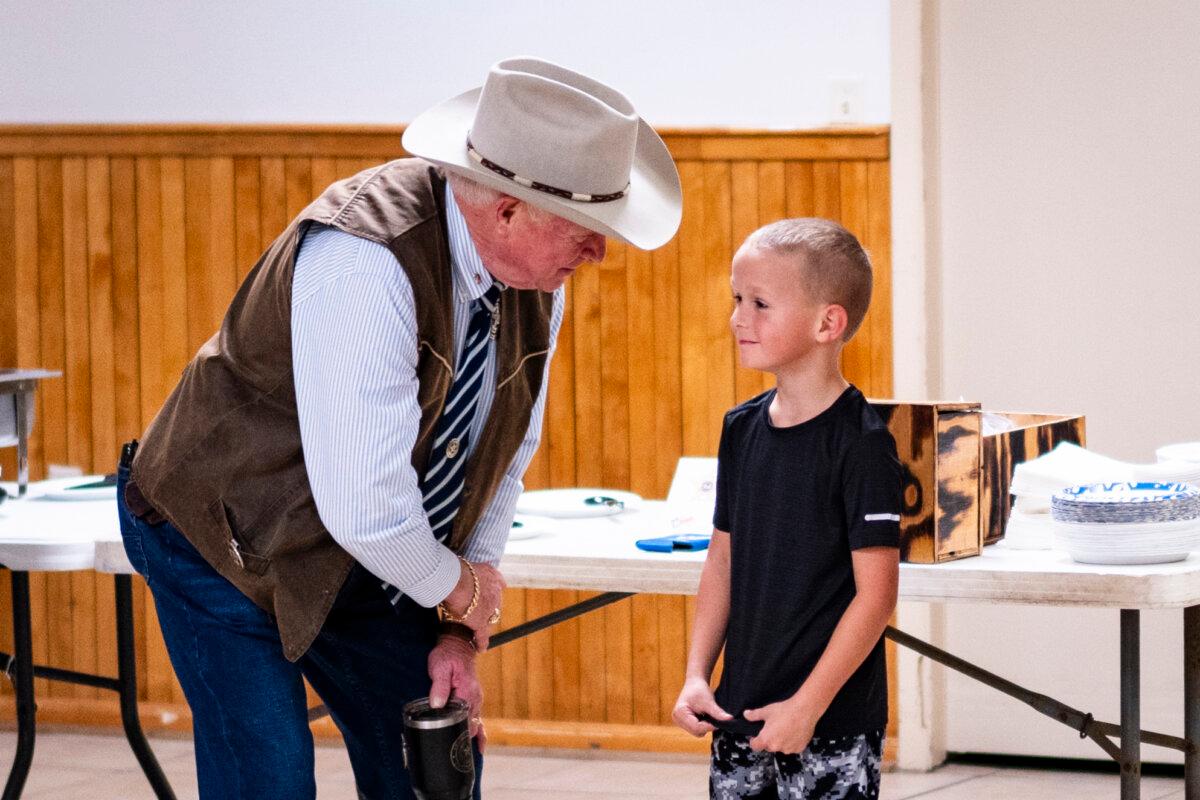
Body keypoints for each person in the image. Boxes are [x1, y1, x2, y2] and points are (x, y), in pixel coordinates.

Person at [115, 57, 681, 800]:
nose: (599, 252)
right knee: (271, 781)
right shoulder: (363, 260)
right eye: (585, 229)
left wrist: (455, 631)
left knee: (437, 767)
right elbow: (368, 510)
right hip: (225, 538)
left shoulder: (536, 280)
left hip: (366, 545)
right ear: (506, 210)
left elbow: (503, 454)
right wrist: (462, 593)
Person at [672, 219, 901, 800]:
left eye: (760, 304)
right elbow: (720, 563)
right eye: (737, 300)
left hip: (829, 726)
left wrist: (808, 706)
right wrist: (698, 674)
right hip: (738, 713)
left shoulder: (864, 443)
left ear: (829, 322)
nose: (738, 319)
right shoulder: (739, 428)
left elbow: (876, 597)